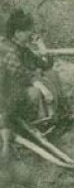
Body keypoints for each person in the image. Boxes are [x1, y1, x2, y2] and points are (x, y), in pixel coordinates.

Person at [0, 9, 55, 159]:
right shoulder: (6, 48)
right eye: (27, 31)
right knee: (34, 92)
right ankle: (23, 132)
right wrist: (42, 88)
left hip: (14, 92)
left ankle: (37, 127)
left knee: (43, 84)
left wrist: (41, 46)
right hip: (4, 94)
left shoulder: (23, 49)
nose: (30, 33)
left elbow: (45, 65)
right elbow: (19, 73)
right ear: (17, 32)